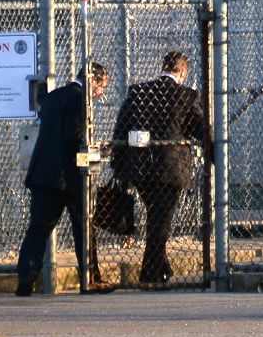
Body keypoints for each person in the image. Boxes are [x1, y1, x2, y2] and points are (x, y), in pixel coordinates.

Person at [110, 51, 210, 286]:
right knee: (161, 219)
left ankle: (162, 267)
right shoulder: (186, 95)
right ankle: (150, 272)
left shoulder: (139, 92)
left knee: (157, 215)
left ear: (163, 66)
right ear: (183, 72)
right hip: (170, 169)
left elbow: (121, 128)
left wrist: (119, 164)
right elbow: (200, 128)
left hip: (140, 167)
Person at [15, 62, 109, 296]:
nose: (101, 93)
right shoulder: (81, 101)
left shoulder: (53, 97)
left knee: (38, 228)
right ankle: (90, 278)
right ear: (93, 81)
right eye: (102, 86)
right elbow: (75, 135)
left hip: (43, 174)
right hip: (70, 176)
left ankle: (25, 279)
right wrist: (98, 151)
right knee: (83, 228)